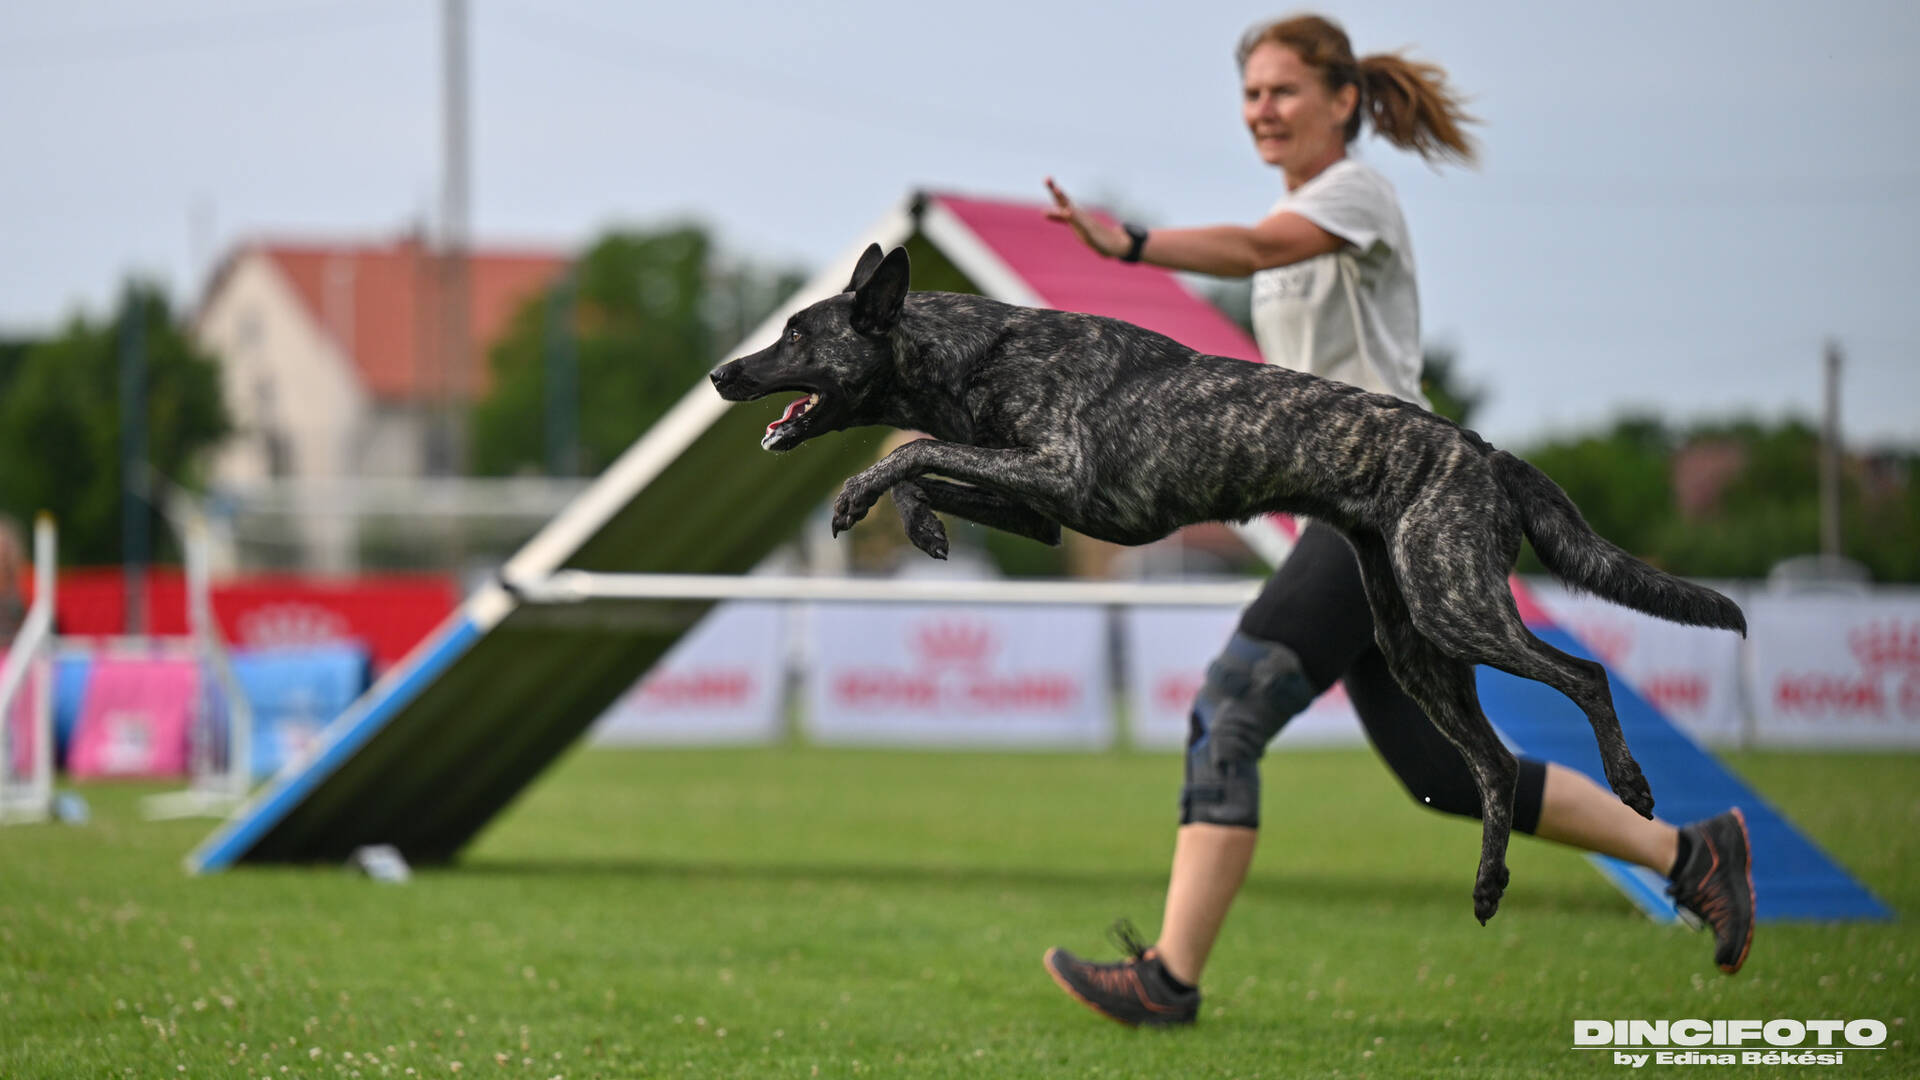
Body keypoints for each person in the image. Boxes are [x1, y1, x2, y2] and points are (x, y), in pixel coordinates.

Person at [1038, 14, 1754, 1028]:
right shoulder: (1300, 217)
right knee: (1445, 774)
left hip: (1392, 504)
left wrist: (1136, 245)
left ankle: (1169, 979)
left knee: (1229, 713)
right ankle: (1695, 853)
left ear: (1342, 101)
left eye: (1283, 91)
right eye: (1250, 95)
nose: (1262, 111)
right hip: (1364, 516)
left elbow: (1251, 246)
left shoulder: (1353, 195)